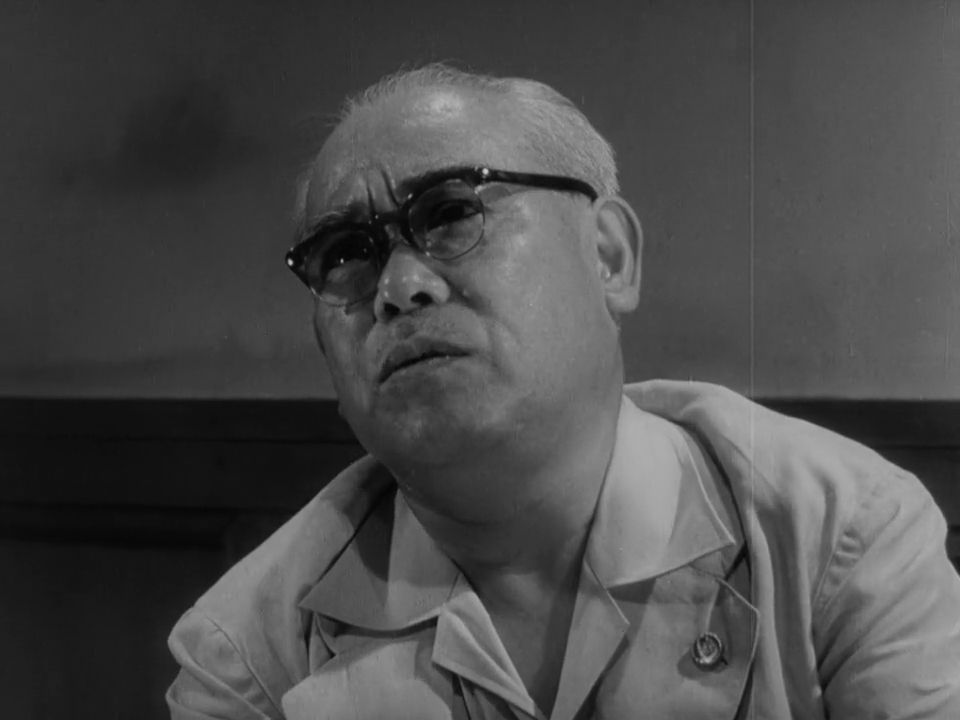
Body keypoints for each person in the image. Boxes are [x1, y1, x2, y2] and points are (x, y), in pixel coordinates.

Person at [165, 64, 960, 719]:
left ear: (609, 257)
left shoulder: (841, 538)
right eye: (345, 252)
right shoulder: (246, 656)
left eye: (451, 212)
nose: (399, 287)